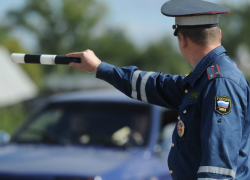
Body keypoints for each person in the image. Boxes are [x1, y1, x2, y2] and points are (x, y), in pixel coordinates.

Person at [66, 0, 250, 179]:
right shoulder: (204, 79)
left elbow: (217, 170)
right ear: (219, 33)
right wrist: (99, 67)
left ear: (183, 39)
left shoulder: (219, 82)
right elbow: (154, 85)